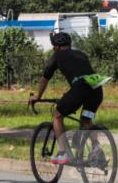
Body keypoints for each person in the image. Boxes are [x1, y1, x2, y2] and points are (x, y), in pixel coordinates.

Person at [27, 30, 109, 164]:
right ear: (69, 44)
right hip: (96, 89)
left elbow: (44, 79)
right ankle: (96, 149)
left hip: (80, 88)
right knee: (87, 119)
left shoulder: (57, 56)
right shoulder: (81, 54)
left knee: (57, 115)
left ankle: (64, 153)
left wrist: (37, 96)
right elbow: (80, 73)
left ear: (56, 47)